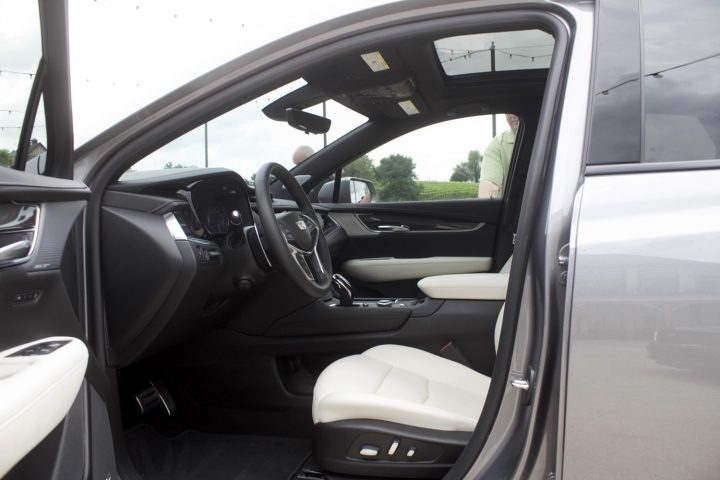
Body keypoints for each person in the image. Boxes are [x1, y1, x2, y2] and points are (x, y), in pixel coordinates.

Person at [478, 113, 519, 198]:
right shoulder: (497, 145)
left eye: (516, 104)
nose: (512, 114)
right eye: (508, 110)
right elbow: (489, 187)